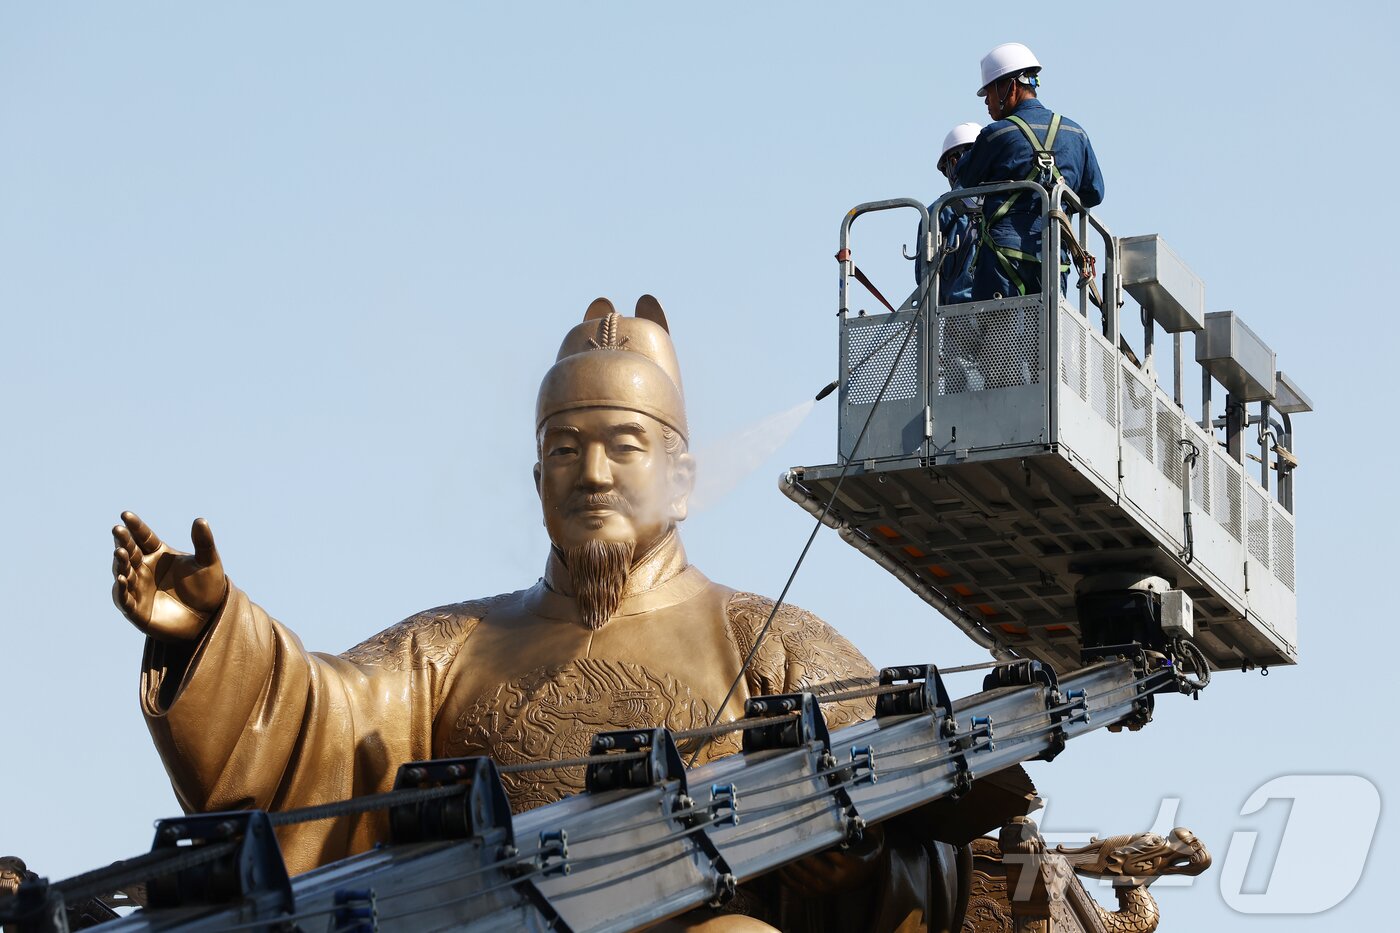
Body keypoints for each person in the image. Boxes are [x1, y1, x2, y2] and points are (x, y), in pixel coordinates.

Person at [110, 297, 1035, 930]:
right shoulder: (450, 649)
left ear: (680, 477)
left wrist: (851, 863)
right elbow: (323, 719)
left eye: (623, 446)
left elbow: (929, 856)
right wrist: (212, 636)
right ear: (537, 474)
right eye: (564, 448)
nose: (591, 473)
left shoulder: (775, 647)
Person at [954, 42, 1104, 302]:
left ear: (1010, 87)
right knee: (1046, 337)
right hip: (1052, 257)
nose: (987, 103)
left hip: (1001, 258)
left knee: (995, 339)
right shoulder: (1076, 134)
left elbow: (963, 178)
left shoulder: (997, 134)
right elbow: (1094, 193)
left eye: (989, 92)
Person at [916, 121, 982, 308]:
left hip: (957, 313)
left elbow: (924, 278)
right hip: (1009, 311)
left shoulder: (938, 212)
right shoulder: (1008, 199)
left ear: (952, 163)